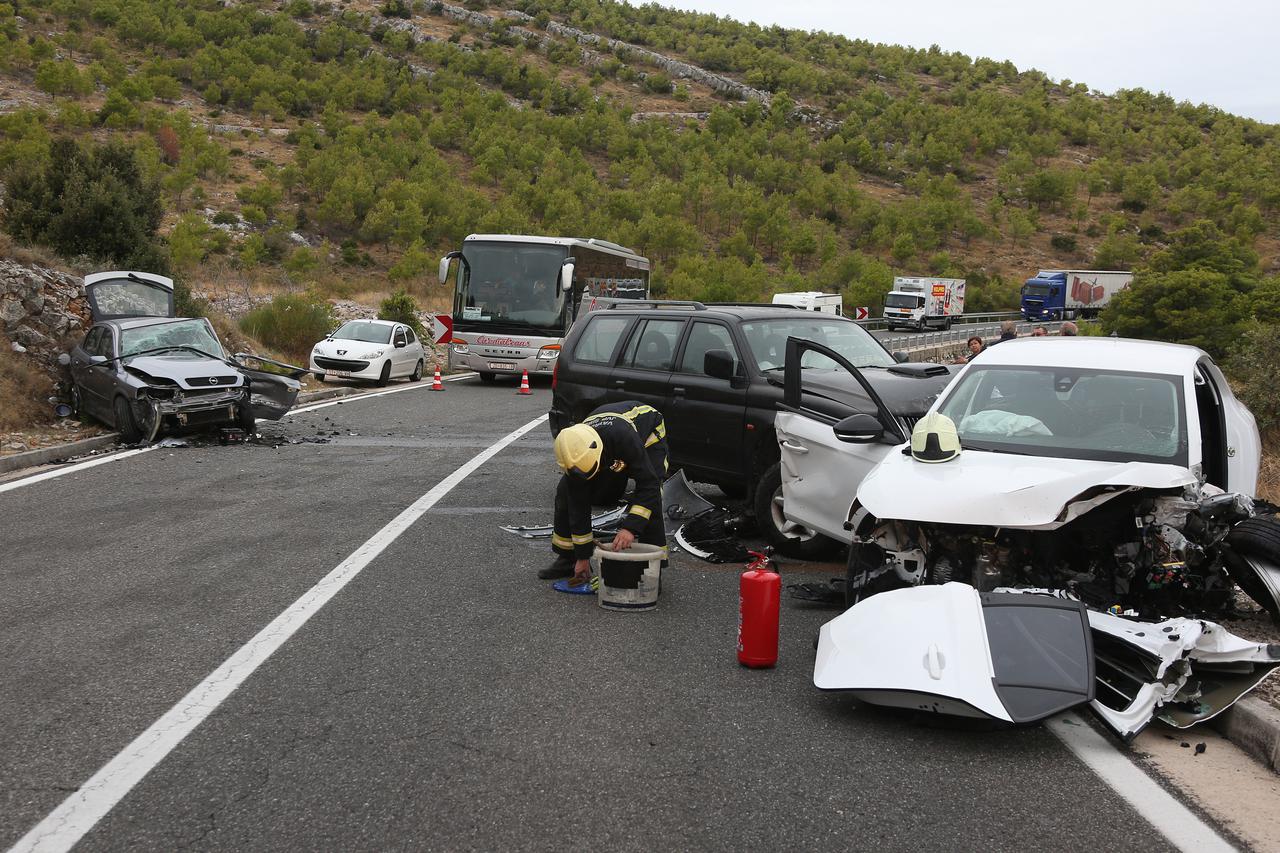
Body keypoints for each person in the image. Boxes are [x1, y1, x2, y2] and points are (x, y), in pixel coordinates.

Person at [540, 402, 668, 582]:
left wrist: (630, 528)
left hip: (649, 434)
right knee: (565, 494)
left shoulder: (623, 438)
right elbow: (578, 505)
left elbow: (649, 484)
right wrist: (582, 556)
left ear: (600, 453)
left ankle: (651, 573)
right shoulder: (573, 450)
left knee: (652, 498)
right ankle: (568, 560)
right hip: (607, 442)